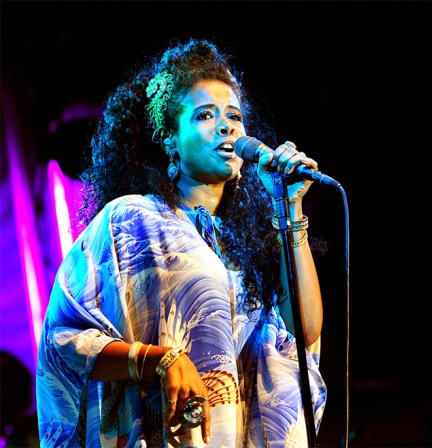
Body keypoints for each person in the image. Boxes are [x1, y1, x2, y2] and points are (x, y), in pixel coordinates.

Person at [36, 37, 327, 447]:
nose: (226, 126)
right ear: (169, 138)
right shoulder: (131, 218)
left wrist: (290, 207)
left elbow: (304, 330)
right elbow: (64, 338)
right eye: (205, 115)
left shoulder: (251, 247)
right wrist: (159, 360)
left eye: (234, 116)